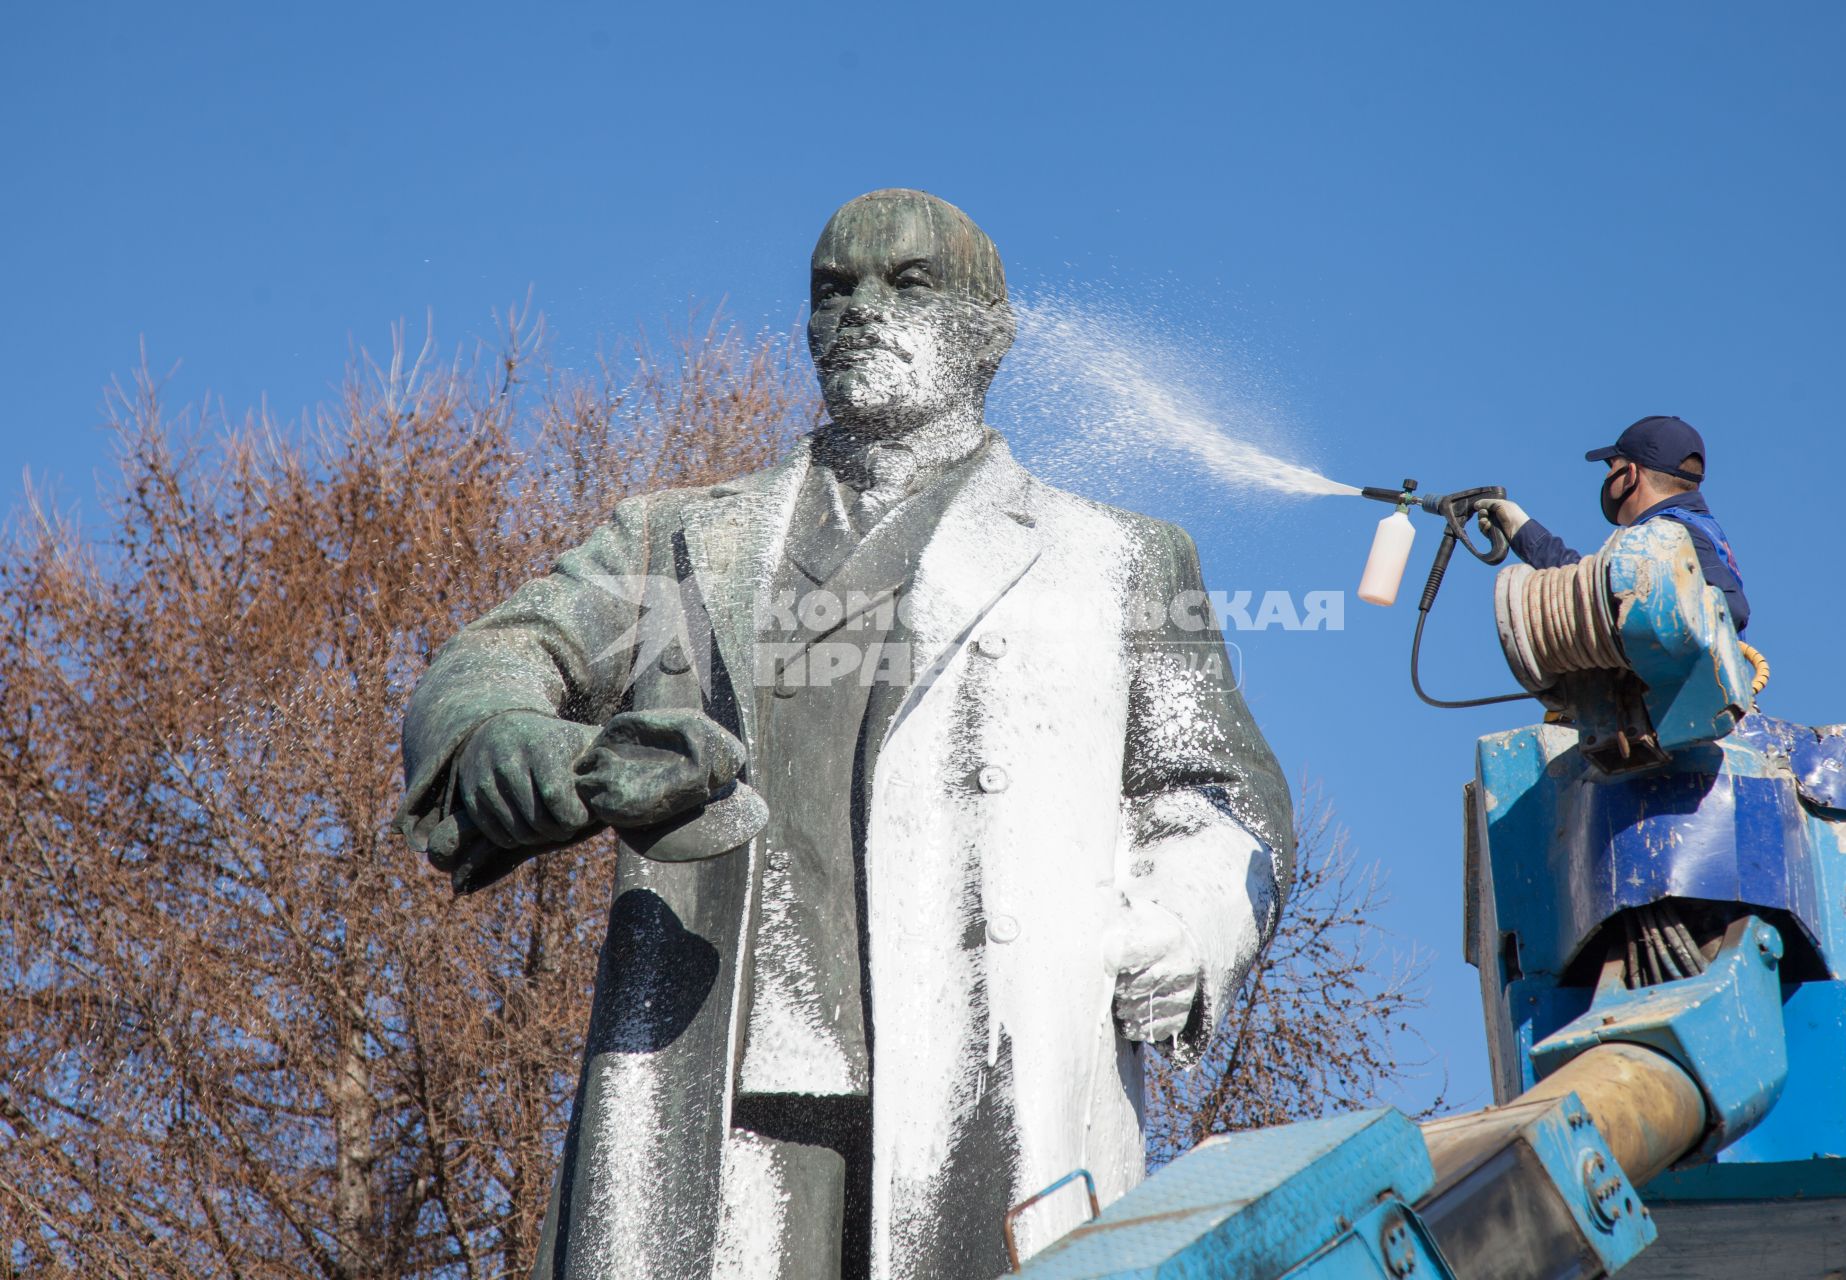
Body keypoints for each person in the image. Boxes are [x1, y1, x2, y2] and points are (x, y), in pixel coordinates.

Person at [395, 189, 1293, 1280]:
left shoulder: (1117, 559)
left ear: (989, 328)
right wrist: (519, 746)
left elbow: (1213, 795)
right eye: (835, 288)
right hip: (713, 1086)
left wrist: (1180, 922)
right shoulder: (681, 539)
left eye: (907, 281)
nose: (863, 307)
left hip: (996, 1068)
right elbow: (494, 660)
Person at [1475, 415, 1750, 633]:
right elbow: (1594, 586)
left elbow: (1731, 608)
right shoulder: (1692, 528)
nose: (1608, 476)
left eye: (1612, 467)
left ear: (1630, 474)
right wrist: (1520, 528)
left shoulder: (1673, 534)